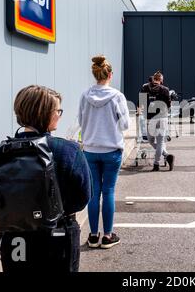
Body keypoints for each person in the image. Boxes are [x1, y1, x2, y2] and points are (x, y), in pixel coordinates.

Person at [0, 85, 92, 272]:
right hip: (58, 235)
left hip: (15, 238)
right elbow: (83, 197)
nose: (59, 114)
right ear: (46, 114)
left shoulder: (3, 151)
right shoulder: (67, 150)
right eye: (58, 110)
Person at [79, 55, 130, 249]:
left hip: (91, 149)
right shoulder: (117, 96)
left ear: (95, 74)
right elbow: (125, 125)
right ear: (110, 74)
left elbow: (81, 121)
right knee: (108, 191)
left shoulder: (85, 95)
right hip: (111, 149)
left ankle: (93, 235)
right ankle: (107, 236)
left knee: (94, 193)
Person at [140, 71, 175, 172]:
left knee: (150, 140)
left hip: (150, 118)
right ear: (161, 80)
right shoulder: (165, 89)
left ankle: (157, 164)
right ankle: (166, 156)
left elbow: (141, 102)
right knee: (160, 142)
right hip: (162, 117)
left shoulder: (145, 88)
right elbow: (169, 105)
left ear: (153, 78)